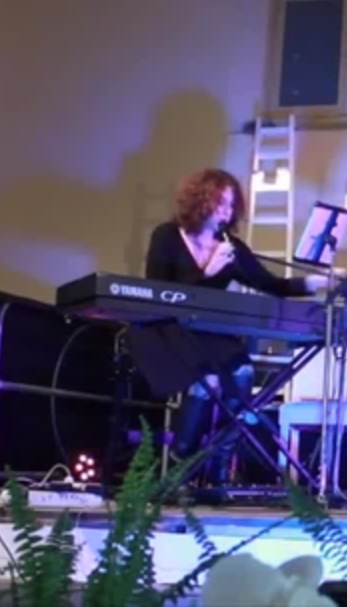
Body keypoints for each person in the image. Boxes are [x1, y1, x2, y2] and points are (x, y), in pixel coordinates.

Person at [138, 168, 328, 498]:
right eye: (221, 203)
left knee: (242, 372)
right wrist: (208, 271)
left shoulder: (230, 247)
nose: (227, 211)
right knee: (207, 380)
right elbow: (157, 291)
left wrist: (314, 283)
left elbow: (272, 284)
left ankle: (219, 468)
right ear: (200, 201)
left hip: (212, 332)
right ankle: (182, 466)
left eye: (231, 205)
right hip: (171, 329)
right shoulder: (167, 236)